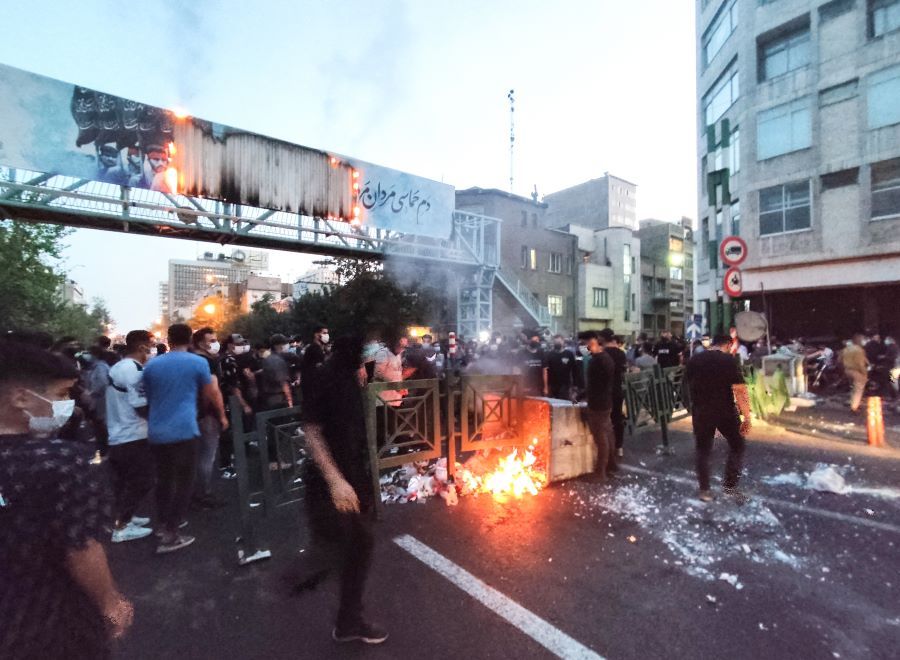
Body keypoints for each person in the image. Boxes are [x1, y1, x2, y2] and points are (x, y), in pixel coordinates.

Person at [0, 341, 133, 657]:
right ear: (21, 397)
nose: (68, 405)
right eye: (61, 395)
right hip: (48, 618)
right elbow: (80, 547)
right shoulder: (63, 461)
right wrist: (110, 603)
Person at [298, 335, 387, 644]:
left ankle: (348, 618)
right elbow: (311, 432)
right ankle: (346, 617)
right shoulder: (324, 377)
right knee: (352, 545)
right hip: (330, 481)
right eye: (368, 342)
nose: (373, 349)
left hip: (352, 474)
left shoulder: (354, 377)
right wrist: (335, 480)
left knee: (358, 544)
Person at [143, 323, 228, 553]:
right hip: (184, 429)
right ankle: (171, 534)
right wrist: (221, 416)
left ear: (169, 339)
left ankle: (162, 525)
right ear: (190, 339)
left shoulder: (151, 365)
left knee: (164, 480)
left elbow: (149, 397)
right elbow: (212, 392)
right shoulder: (198, 362)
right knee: (184, 482)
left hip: (157, 431)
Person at [685, 334, 752, 503]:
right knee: (737, 445)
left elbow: (685, 385)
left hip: (702, 411)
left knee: (703, 451)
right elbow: (740, 390)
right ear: (728, 345)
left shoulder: (695, 360)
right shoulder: (728, 361)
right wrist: (746, 416)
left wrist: (693, 405)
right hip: (725, 412)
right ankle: (730, 486)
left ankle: (704, 491)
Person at [105, 330, 156, 543]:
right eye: (151, 345)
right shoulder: (133, 370)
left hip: (119, 433)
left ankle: (126, 517)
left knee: (126, 482)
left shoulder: (119, 366)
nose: (152, 349)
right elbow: (140, 405)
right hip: (132, 434)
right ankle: (121, 526)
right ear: (142, 346)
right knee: (142, 481)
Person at [190, 327, 227, 509]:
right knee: (207, 456)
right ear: (199, 343)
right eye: (211, 340)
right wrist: (221, 415)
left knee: (196, 455)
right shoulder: (206, 362)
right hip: (207, 415)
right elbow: (212, 391)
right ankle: (203, 494)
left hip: (191, 415)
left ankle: (193, 492)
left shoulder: (190, 360)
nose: (215, 343)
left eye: (215, 339)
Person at [579, 331, 617, 479]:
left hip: (597, 404)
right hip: (605, 401)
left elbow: (593, 386)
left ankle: (600, 472)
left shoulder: (597, 361)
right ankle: (612, 465)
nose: (583, 347)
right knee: (608, 434)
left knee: (600, 439)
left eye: (585, 343)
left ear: (593, 343)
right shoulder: (606, 358)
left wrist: (581, 397)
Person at [599, 329, 627, 459]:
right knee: (618, 418)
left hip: (604, 391)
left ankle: (606, 449)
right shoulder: (621, 354)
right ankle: (619, 447)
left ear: (603, 339)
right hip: (617, 390)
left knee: (604, 420)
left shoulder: (602, 353)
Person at [259, 334, 294, 411]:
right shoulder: (276, 360)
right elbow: (283, 382)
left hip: (271, 397)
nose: (286, 345)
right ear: (277, 346)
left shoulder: (268, 358)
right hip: (279, 398)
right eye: (284, 343)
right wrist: (289, 400)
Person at [300, 324, 330, 407]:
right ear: (316, 335)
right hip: (314, 388)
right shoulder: (314, 349)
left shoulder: (320, 348)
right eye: (324, 333)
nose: (327, 335)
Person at [841, 333, 869, 414]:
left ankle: (852, 402)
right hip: (857, 371)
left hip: (847, 370)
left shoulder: (846, 349)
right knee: (858, 390)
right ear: (859, 340)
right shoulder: (859, 350)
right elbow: (860, 364)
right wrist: (865, 374)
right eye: (863, 339)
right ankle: (854, 408)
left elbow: (840, 360)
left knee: (853, 388)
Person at [546, 334, 577, 400]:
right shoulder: (549, 355)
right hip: (552, 385)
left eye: (559, 342)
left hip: (565, 385)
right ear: (553, 343)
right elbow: (546, 371)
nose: (558, 344)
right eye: (556, 342)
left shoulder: (569, 354)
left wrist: (575, 385)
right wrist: (547, 386)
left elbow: (574, 370)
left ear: (563, 342)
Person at [518, 333, 547, 397]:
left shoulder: (541, 353)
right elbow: (517, 370)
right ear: (529, 340)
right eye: (535, 340)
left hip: (539, 387)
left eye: (538, 340)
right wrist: (519, 386)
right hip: (526, 386)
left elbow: (544, 371)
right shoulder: (521, 353)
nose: (537, 342)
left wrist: (545, 387)